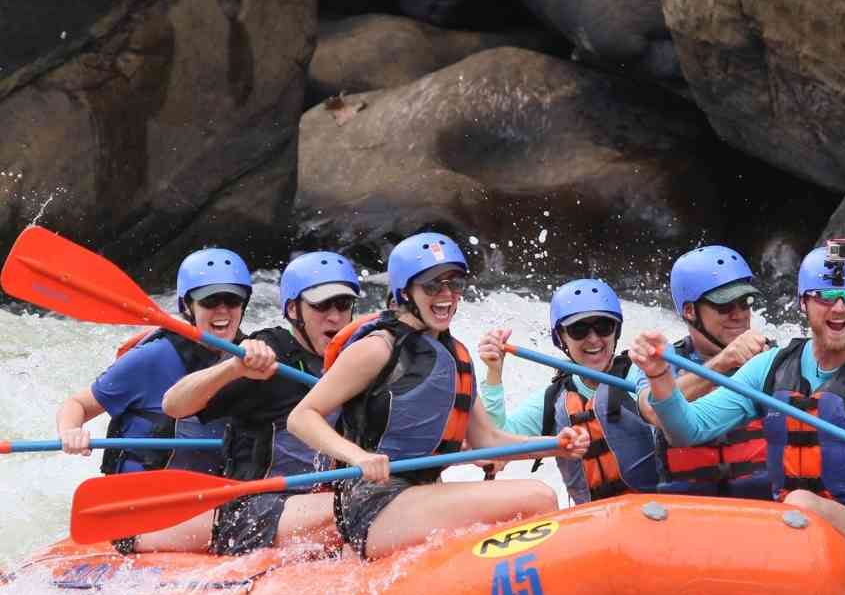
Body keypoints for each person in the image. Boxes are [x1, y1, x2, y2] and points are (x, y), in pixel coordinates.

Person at [630, 240, 845, 576]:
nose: (839, 310)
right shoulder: (772, 367)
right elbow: (690, 429)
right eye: (825, 297)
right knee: (790, 512)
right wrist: (661, 380)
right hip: (790, 536)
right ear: (803, 302)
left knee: (800, 505)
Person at [286, 232, 589, 560]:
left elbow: (486, 439)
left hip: (422, 496)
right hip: (373, 504)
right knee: (539, 496)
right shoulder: (377, 348)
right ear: (405, 292)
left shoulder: (457, 355)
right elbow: (301, 417)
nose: (446, 295)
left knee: (532, 498)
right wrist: (357, 456)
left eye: (453, 284)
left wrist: (553, 444)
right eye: (432, 285)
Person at [132, 250, 361, 554]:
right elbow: (174, 405)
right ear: (293, 309)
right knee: (356, 510)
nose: (334, 316)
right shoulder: (270, 352)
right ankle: (141, 536)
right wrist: (234, 368)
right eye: (320, 306)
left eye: (343, 305)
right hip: (255, 507)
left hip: (322, 496)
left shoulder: (358, 355)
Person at [55, 246, 252, 476]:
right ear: (187, 307)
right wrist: (70, 431)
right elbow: (77, 404)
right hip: (144, 486)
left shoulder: (251, 356)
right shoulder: (154, 357)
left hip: (211, 492)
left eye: (232, 300)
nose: (222, 310)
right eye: (209, 301)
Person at [477, 279, 658, 504]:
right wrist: (494, 374)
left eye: (604, 326)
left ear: (616, 331)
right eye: (578, 329)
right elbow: (493, 448)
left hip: (657, 509)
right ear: (561, 338)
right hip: (594, 520)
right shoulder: (554, 400)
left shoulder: (641, 375)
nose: (593, 339)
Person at [636, 245, 773, 498]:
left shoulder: (775, 359)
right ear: (690, 311)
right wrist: (724, 362)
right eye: (725, 306)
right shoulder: (658, 362)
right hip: (688, 509)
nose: (739, 314)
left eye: (746, 302)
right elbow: (652, 410)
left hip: (764, 507)